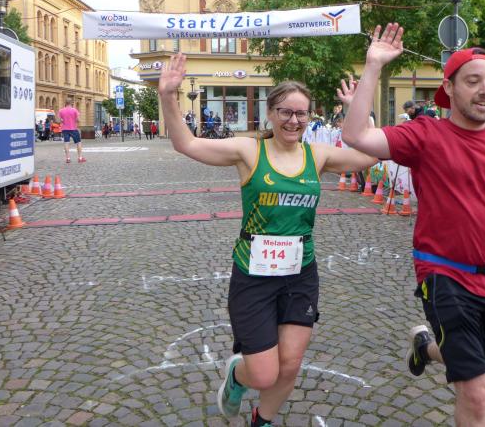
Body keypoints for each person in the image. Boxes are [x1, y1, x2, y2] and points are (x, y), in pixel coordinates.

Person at [158, 53, 378, 427]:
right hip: (254, 275)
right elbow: (187, 144)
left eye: (301, 113)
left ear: (309, 116)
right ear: (271, 114)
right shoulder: (249, 150)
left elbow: (369, 155)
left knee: (289, 364)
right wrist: (167, 95)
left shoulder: (317, 155)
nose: (294, 120)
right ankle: (236, 375)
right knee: (262, 374)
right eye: (286, 112)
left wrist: (359, 110)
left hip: (300, 273)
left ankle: (262, 420)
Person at [341, 24, 485, 426]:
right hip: (444, 274)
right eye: (473, 81)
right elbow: (355, 135)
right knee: (477, 391)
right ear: (449, 88)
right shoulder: (426, 134)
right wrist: (374, 65)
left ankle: (425, 348)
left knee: (477, 371)